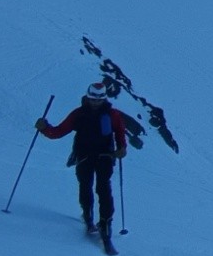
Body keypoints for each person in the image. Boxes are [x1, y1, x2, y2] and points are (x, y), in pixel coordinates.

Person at [37, 81, 142, 241]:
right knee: (89, 186)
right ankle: (91, 217)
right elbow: (58, 132)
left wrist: (122, 147)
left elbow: (120, 132)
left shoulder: (101, 115)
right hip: (88, 156)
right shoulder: (85, 114)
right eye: (93, 98)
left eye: (99, 99)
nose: (96, 102)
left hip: (100, 156)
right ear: (88, 97)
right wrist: (45, 129)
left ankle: (103, 222)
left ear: (104, 98)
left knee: (101, 188)